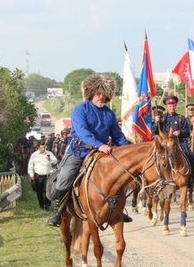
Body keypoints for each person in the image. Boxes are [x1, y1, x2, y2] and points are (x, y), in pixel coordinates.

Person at [47, 74, 132, 227]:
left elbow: (118, 135)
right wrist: (99, 145)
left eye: (104, 93)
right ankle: (58, 211)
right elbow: (82, 131)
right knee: (64, 179)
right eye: (98, 93)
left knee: (120, 177)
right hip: (79, 150)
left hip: (102, 153)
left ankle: (119, 209)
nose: (101, 96)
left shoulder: (109, 113)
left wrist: (126, 150)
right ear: (91, 92)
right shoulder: (80, 108)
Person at [28, 139, 58, 210]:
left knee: (47, 191)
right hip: (38, 176)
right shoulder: (34, 155)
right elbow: (30, 165)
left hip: (47, 175)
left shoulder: (49, 154)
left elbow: (55, 161)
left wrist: (50, 159)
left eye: (44, 147)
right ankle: (41, 205)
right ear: (38, 147)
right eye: (42, 147)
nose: (43, 149)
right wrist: (31, 174)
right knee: (39, 192)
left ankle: (47, 205)